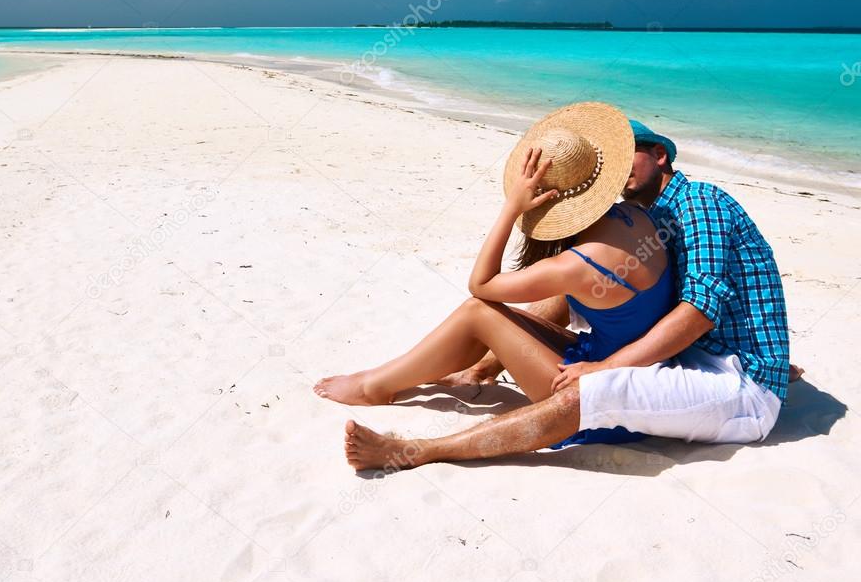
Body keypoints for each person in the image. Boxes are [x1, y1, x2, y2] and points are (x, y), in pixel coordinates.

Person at [337, 118, 794, 471]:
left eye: (629, 158)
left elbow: (698, 313)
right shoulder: (647, 213)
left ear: (659, 156)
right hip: (704, 356)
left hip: (743, 387)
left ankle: (417, 451)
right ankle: (478, 369)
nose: (621, 176)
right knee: (556, 303)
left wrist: (603, 368)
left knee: (587, 391)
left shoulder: (699, 203)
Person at [315, 103, 676, 446]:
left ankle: (375, 386)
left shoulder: (578, 264)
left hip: (594, 402)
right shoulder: (637, 218)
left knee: (479, 310)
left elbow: (482, 285)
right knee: (501, 316)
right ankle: (441, 374)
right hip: (626, 370)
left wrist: (511, 209)